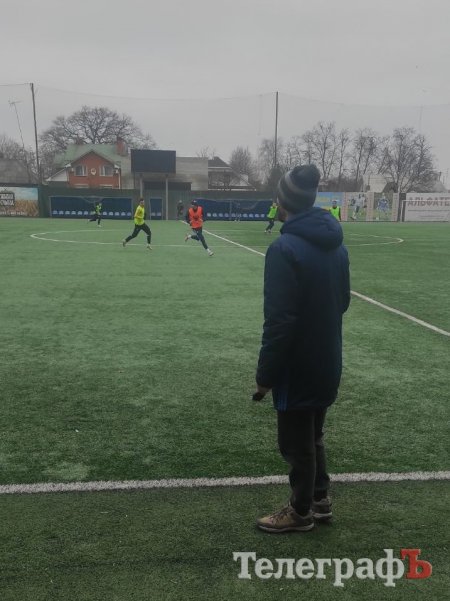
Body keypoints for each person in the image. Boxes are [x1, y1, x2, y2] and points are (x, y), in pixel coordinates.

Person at [254, 164, 350, 533]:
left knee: (296, 444)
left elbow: (280, 321)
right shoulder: (337, 246)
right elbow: (343, 301)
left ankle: (300, 511)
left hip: (298, 365)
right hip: (328, 357)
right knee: (313, 435)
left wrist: (265, 377)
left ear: (283, 201)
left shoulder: (284, 248)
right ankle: (320, 500)